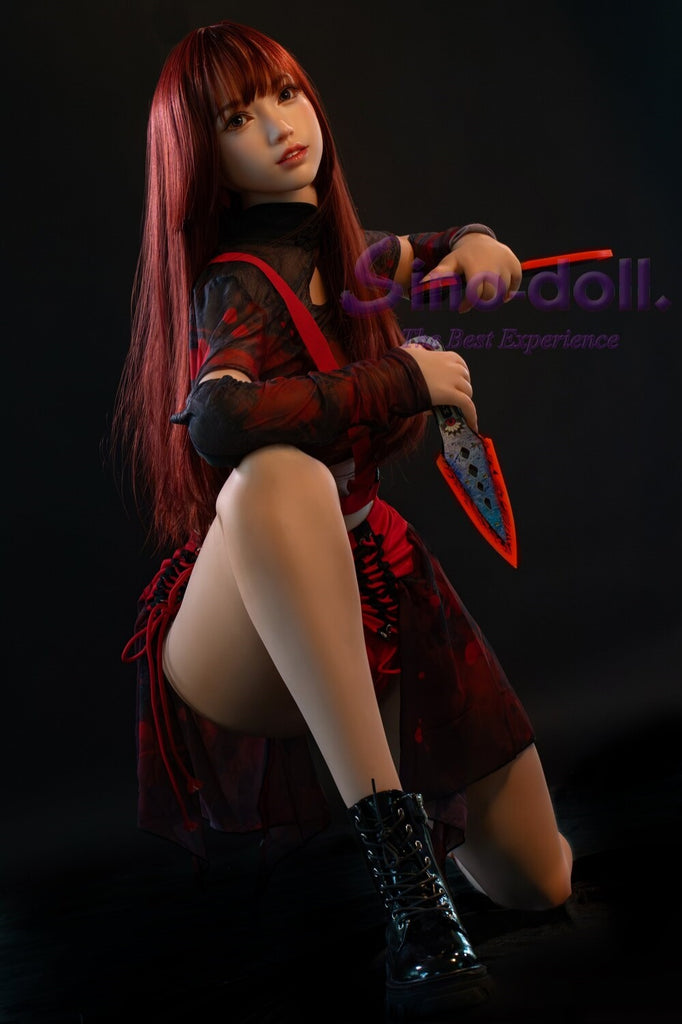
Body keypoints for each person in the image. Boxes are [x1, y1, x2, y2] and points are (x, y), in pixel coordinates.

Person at [113, 19, 573, 1018]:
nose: (279, 126)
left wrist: (478, 243)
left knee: (539, 880)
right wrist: (400, 379)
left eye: (285, 94)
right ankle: (410, 897)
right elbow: (221, 419)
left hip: (370, 589)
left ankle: (458, 872)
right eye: (237, 117)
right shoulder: (235, 285)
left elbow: (431, 248)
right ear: (201, 156)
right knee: (277, 479)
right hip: (248, 620)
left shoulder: (343, 255)